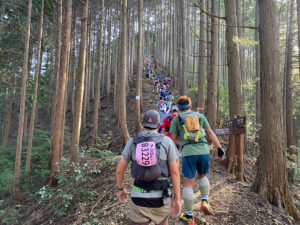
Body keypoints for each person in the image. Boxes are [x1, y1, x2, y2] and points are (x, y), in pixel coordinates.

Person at [116, 110, 181, 225]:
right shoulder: (167, 141)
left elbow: (119, 170)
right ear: (159, 125)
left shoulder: (133, 141)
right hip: (161, 199)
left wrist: (121, 189)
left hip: (138, 199)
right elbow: (175, 172)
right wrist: (177, 199)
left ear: (142, 124)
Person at [169, 96, 225, 225]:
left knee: (188, 184)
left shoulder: (176, 119)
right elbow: (210, 132)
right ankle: (204, 200)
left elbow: (172, 139)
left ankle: (189, 216)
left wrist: (172, 155)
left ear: (178, 108)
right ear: (190, 106)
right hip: (204, 150)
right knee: (203, 176)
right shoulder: (199, 116)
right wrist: (220, 148)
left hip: (188, 152)